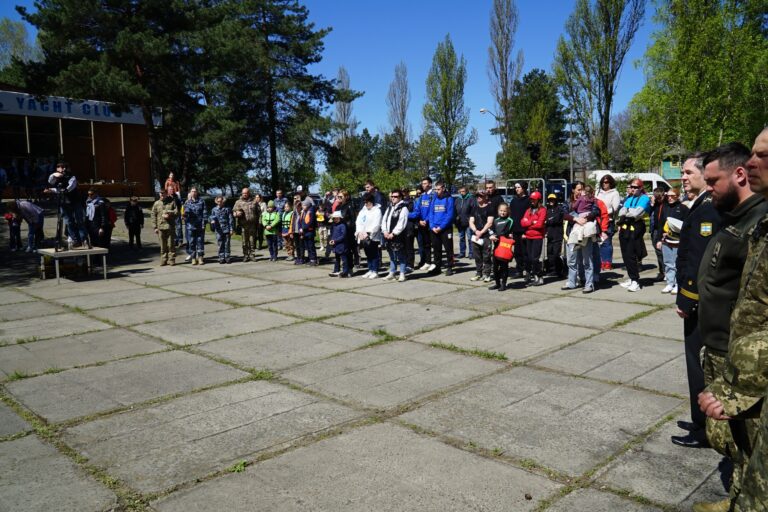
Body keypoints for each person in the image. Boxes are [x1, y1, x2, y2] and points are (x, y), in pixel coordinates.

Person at [688, 143, 767, 512]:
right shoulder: (737, 217)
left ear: (738, 176)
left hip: (745, 357)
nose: (708, 189)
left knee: (752, 442)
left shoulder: (757, 221)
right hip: (721, 347)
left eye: (713, 181)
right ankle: (737, 497)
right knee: (735, 442)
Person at [672, 153, 723, 449]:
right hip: (698, 300)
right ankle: (698, 418)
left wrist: (686, 299)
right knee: (697, 365)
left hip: (700, 302)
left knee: (699, 364)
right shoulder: (701, 205)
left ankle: (704, 428)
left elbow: (699, 263)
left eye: (689, 172)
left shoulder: (707, 210)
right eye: (683, 172)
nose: (683, 177)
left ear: (705, 175)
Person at [562, 182, 599, 293]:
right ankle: (572, 282)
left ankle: (589, 284)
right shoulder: (568, 202)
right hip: (571, 234)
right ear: (573, 190)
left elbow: (596, 211)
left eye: (583, 189)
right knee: (571, 261)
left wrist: (586, 219)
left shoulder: (591, 199)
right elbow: (563, 214)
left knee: (587, 260)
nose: (581, 192)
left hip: (585, 235)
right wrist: (575, 219)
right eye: (578, 189)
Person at [617, 179, 651, 292]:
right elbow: (621, 211)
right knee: (625, 254)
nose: (633, 189)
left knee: (632, 254)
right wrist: (627, 212)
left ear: (641, 188)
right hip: (626, 226)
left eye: (635, 187)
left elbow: (636, 213)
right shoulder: (630, 198)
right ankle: (632, 278)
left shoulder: (644, 198)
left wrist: (627, 212)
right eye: (632, 187)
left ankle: (635, 280)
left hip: (636, 227)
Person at [46, 161, 88, 248]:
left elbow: (68, 188)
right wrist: (54, 175)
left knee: (79, 221)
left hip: (74, 201)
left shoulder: (72, 177)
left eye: (64, 167)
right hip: (64, 203)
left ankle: (84, 239)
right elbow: (50, 181)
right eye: (61, 167)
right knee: (69, 222)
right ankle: (75, 240)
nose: (63, 169)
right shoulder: (56, 177)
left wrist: (54, 190)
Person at [656, 188, 688, 294]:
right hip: (666, 240)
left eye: (672, 196)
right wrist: (659, 239)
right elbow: (660, 224)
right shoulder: (664, 207)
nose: (669, 198)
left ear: (678, 196)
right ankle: (670, 283)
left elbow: (686, 225)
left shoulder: (683, 208)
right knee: (667, 262)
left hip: (678, 240)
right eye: (668, 196)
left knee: (676, 263)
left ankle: (678, 284)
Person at [426, 181, 455, 275]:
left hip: (445, 229)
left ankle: (450, 267)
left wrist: (441, 227)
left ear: (443, 188)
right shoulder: (434, 199)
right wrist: (432, 226)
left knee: (448, 249)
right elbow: (431, 213)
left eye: (438, 189)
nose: (437, 191)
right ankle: (437, 267)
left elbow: (449, 215)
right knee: (436, 249)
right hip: (434, 229)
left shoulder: (449, 199)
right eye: (436, 189)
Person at [381, 189, 409, 282]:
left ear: (400, 197)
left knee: (401, 255)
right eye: (392, 196)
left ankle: (402, 273)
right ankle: (392, 273)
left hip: (399, 236)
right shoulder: (389, 207)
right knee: (392, 255)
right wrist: (385, 231)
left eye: (395, 196)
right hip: (388, 235)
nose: (393, 198)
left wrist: (393, 233)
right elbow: (384, 219)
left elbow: (402, 223)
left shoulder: (403, 208)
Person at [520, 191, 547, 286]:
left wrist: (529, 223)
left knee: (535, 258)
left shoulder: (542, 210)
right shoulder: (528, 210)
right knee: (530, 258)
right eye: (531, 199)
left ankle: (540, 277)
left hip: (537, 237)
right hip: (528, 236)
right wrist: (532, 222)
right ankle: (535, 276)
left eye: (533, 200)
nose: (531, 201)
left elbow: (540, 224)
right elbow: (522, 222)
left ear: (538, 200)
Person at [469, 190, 494, 283]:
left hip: (486, 235)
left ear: (485, 197)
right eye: (477, 196)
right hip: (476, 236)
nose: (478, 197)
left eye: (480, 196)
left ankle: (487, 274)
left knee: (486, 256)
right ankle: (478, 273)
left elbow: (490, 222)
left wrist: (481, 232)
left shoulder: (489, 208)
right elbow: (471, 221)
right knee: (477, 256)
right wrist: (475, 231)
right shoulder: (474, 208)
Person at [596, 174, 620, 270]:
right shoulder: (598, 193)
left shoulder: (615, 193)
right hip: (597, 220)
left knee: (606, 242)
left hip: (608, 221)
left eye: (606, 182)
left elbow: (615, 208)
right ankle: (601, 261)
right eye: (603, 182)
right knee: (598, 242)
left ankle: (607, 262)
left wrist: (604, 212)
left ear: (610, 183)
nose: (604, 184)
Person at [355, 193, 382, 279]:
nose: (366, 204)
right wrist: (359, 232)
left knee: (374, 253)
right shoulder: (363, 211)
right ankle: (370, 269)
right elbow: (358, 221)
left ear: (372, 202)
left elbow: (377, 224)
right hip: (363, 235)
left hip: (372, 236)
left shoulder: (377, 211)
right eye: (365, 202)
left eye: (368, 202)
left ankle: (375, 270)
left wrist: (369, 233)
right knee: (368, 254)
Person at [489, 202, 513, 291]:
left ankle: (503, 284)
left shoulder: (509, 220)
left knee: (504, 266)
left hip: (504, 246)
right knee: (495, 266)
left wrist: (496, 237)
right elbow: (492, 230)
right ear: (498, 211)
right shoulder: (496, 220)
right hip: (496, 246)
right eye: (501, 211)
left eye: (504, 211)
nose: (502, 212)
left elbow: (506, 232)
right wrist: (491, 235)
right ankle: (497, 283)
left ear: (507, 211)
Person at [412, 177, 435, 270]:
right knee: (425, 244)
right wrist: (419, 220)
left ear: (430, 184)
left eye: (425, 183)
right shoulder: (422, 196)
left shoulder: (433, 195)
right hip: (422, 223)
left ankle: (436, 263)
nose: (423, 185)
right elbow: (417, 210)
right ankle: (427, 261)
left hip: (430, 223)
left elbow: (432, 210)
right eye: (422, 183)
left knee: (434, 244)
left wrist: (427, 220)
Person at [151, 188, 178, 266]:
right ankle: (164, 260)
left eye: (163, 193)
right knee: (163, 245)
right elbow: (153, 215)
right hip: (160, 227)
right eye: (160, 193)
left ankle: (172, 259)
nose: (162, 195)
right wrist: (155, 227)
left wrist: (169, 213)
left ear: (166, 194)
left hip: (170, 226)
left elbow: (176, 212)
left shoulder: (172, 202)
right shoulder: (156, 203)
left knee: (171, 244)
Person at [233, 188, 260, 262]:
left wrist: (258, 223)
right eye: (243, 193)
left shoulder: (254, 202)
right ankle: (245, 255)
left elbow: (259, 212)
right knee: (244, 242)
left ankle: (252, 255)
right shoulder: (238, 202)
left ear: (249, 193)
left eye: (246, 193)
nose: (244, 194)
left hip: (252, 225)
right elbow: (233, 212)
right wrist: (236, 214)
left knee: (252, 241)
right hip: (243, 225)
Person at [509, 182, 529, 277]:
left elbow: (530, 216)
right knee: (517, 252)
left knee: (525, 251)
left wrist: (526, 231)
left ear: (524, 188)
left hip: (524, 230)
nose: (517, 189)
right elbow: (511, 216)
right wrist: (511, 231)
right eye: (515, 187)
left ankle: (528, 270)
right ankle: (519, 270)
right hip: (515, 230)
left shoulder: (528, 200)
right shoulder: (514, 201)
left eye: (519, 187)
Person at [183, 188, 206, 265]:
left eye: (195, 191)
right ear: (190, 193)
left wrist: (204, 223)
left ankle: (200, 258)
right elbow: (185, 213)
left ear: (197, 192)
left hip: (200, 225)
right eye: (192, 191)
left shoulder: (201, 201)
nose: (193, 193)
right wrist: (185, 215)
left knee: (200, 242)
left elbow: (204, 213)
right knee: (192, 242)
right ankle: (193, 258)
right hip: (190, 226)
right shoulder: (187, 202)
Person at [544, 193, 566, 277]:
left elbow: (557, 220)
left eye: (553, 200)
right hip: (549, 235)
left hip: (558, 234)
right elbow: (545, 221)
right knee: (549, 253)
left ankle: (559, 270)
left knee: (556, 253)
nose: (551, 201)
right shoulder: (547, 210)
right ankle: (551, 270)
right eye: (550, 200)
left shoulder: (559, 209)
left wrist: (548, 221)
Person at [650, 186, 668, 281]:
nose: (658, 199)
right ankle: (662, 271)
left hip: (662, 230)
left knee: (662, 252)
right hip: (655, 230)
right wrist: (652, 204)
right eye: (656, 197)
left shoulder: (666, 204)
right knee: (658, 252)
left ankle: (666, 272)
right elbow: (651, 214)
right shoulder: (656, 204)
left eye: (659, 197)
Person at [210, 195, 234, 264]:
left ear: (223, 201)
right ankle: (221, 257)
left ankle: (227, 257)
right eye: (218, 201)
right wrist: (212, 221)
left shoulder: (227, 209)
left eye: (221, 201)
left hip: (226, 229)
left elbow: (230, 219)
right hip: (218, 230)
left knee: (227, 244)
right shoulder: (214, 209)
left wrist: (231, 229)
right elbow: (211, 217)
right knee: (220, 244)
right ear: (216, 202)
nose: (219, 203)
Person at [454, 186, 475, 259]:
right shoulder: (457, 199)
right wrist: (456, 219)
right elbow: (454, 210)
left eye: (463, 191)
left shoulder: (471, 199)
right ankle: (462, 252)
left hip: (469, 222)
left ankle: (471, 253)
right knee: (461, 238)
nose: (462, 193)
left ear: (467, 191)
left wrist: (471, 219)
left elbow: (473, 209)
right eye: (460, 191)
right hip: (460, 222)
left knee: (470, 238)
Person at [327, 211, 349, 277]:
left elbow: (343, 235)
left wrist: (335, 241)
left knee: (344, 259)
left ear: (339, 218)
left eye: (336, 218)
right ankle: (336, 270)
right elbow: (332, 234)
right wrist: (331, 240)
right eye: (334, 218)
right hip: (336, 245)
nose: (334, 220)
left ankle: (345, 272)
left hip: (342, 245)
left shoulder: (343, 225)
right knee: (336, 259)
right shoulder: (334, 225)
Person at [298, 196, 318, 265]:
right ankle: (310, 259)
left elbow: (310, 222)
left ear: (308, 205)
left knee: (311, 246)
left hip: (309, 232)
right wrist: (300, 228)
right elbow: (300, 221)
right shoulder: (304, 212)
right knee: (307, 246)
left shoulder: (311, 212)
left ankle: (314, 259)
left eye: (304, 205)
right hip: (304, 232)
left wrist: (303, 228)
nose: (302, 206)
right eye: (302, 205)